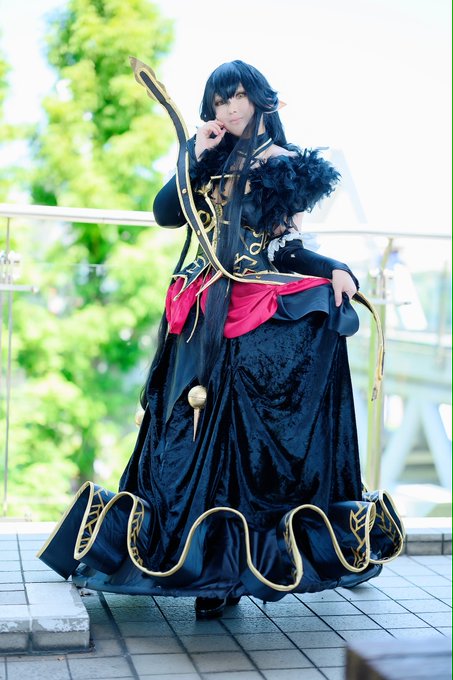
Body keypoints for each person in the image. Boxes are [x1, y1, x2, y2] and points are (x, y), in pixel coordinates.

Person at [38, 60, 404, 619]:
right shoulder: (208, 156)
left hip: (248, 309)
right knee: (182, 427)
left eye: (237, 98)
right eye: (218, 100)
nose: (229, 109)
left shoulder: (281, 164)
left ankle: (228, 572)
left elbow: (284, 248)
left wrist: (333, 267)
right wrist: (196, 152)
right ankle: (186, 557)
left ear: (259, 100)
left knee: (237, 434)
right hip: (199, 310)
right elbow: (166, 214)